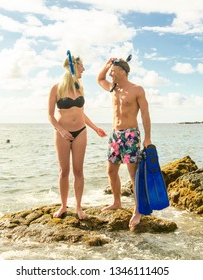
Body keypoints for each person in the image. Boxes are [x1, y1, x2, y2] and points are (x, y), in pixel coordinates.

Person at [48, 54, 106, 220]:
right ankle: (64, 206)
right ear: (73, 67)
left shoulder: (79, 87)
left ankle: (79, 207)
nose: (84, 69)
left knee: (79, 170)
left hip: (81, 131)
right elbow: (50, 116)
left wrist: (95, 128)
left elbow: (81, 112)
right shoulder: (56, 88)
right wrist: (61, 131)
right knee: (64, 171)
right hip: (62, 133)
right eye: (81, 66)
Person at [97, 57, 152, 228]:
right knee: (111, 170)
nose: (110, 74)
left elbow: (145, 114)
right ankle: (116, 201)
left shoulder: (137, 89)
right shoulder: (113, 88)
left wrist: (147, 138)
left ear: (122, 72)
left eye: (113, 71)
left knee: (133, 174)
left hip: (130, 135)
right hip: (115, 135)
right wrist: (107, 64)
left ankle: (138, 209)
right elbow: (99, 79)